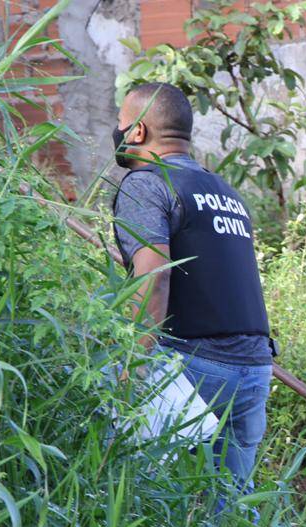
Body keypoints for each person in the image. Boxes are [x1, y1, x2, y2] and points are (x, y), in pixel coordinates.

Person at [111, 82, 274, 491]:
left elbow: (156, 274)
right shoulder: (224, 191)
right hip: (255, 369)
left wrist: (134, 367)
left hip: (194, 368)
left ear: (139, 132)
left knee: (132, 491)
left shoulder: (146, 182)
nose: (118, 131)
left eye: (120, 122)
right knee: (231, 510)